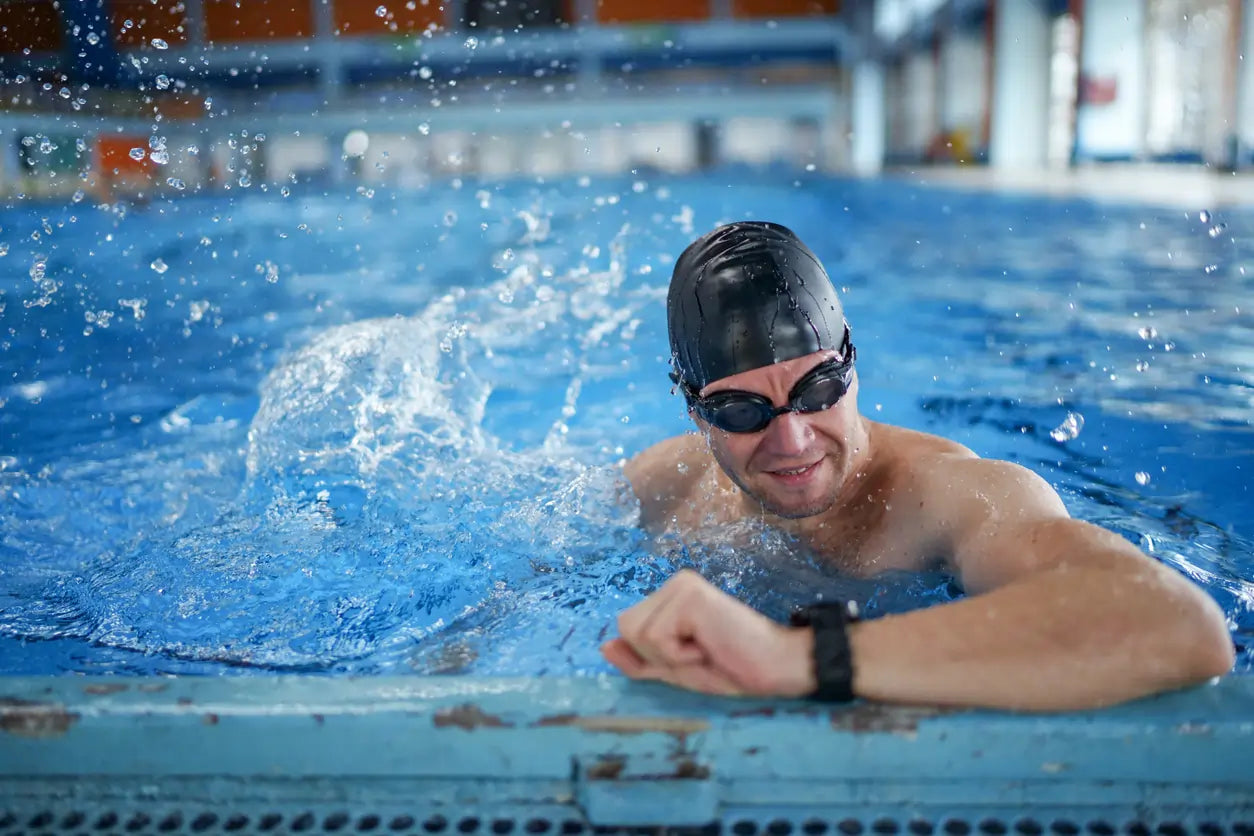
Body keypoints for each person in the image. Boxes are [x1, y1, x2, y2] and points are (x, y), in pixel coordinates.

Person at [601, 221, 1234, 711]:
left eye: (819, 388)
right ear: (695, 412)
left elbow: (1178, 624)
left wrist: (801, 659)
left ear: (853, 369)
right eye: (741, 412)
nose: (792, 440)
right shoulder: (671, 483)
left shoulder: (949, 496)